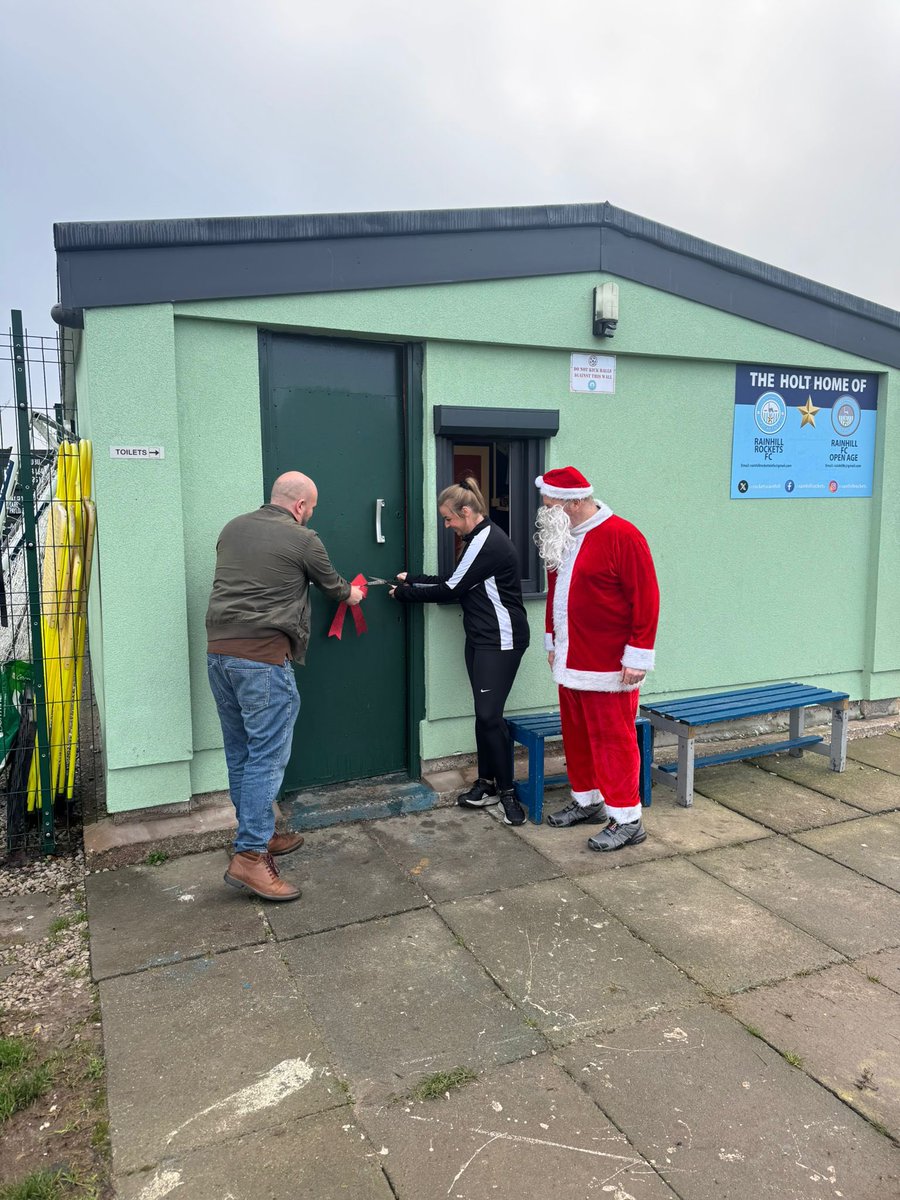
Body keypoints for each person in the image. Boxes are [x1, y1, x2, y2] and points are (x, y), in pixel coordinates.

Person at [205, 471, 364, 901]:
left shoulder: (232, 528)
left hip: (219, 655)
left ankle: (258, 832)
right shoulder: (303, 539)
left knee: (241, 752)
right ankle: (251, 857)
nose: (310, 515)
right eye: (310, 508)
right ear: (299, 506)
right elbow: (335, 588)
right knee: (267, 758)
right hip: (262, 659)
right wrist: (355, 595)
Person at [391, 478, 530, 826]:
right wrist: (413, 579)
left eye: (449, 519)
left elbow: (451, 588)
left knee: (489, 716)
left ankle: (508, 792)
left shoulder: (489, 542)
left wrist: (405, 593)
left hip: (501, 640)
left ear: (466, 512)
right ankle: (486, 784)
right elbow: (458, 579)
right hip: (481, 638)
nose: (447, 526)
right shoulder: (477, 538)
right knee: (485, 715)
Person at [534, 466, 659, 851]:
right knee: (577, 736)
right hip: (571, 658)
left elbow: (647, 599)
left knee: (612, 741)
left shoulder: (623, 536)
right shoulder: (563, 536)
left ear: (571, 503)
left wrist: (637, 655)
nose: (543, 511)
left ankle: (627, 818)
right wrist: (552, 641)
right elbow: (556, 594)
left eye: (548, 504)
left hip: (609, 665)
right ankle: (587, 801)